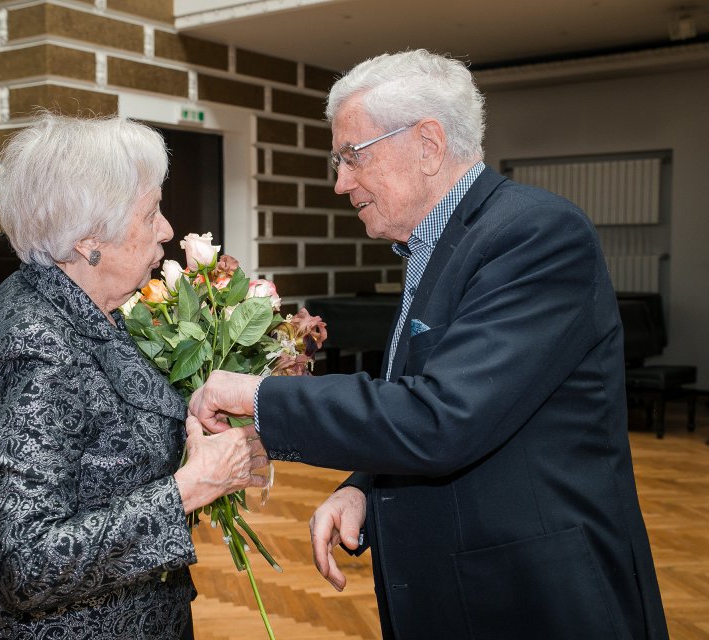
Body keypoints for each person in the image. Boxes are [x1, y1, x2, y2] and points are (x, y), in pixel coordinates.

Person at [189, 50, 668, 639]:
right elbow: (432, 398)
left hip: (534, 597)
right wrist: (364, 486)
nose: (341, 183)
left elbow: (443, 417)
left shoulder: (533, 235)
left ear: (428, 143)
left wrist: (259, 394)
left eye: (351, 156)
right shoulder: (438, 246)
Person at [0, 112, 268, 639]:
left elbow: (105, 447)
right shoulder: (40, 346)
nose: (167, 229)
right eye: (151, 213)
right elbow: (26, 563)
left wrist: (201, 441)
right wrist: (190, 488)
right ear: (88, 239)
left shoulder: (81, 305)